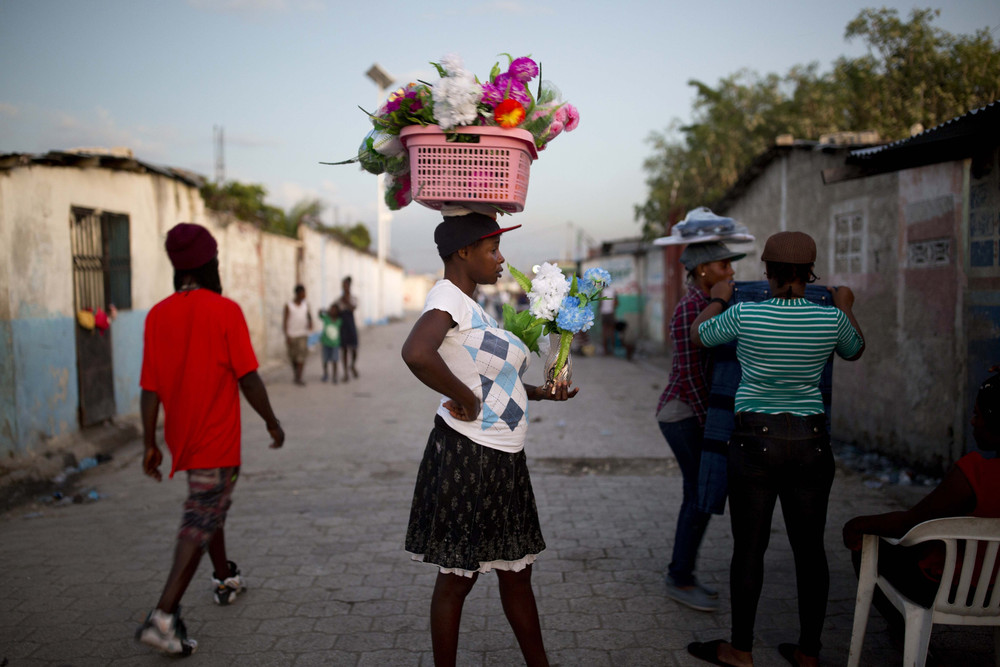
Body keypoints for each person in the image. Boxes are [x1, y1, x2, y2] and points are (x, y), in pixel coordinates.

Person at [401, 212, 579, 667]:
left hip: (502, 458)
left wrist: (539, 392)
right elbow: (416, 353)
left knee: (517, 574)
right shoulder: (447, 298)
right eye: (492, 249)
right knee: (458, 578)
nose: (501, 259)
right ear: (463, 253)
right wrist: (463, 397)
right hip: (470, 457)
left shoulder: (473, 306)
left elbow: (487, 379)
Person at [686, 231, 865, 667]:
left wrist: (722, 298)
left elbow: (699, 336)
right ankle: (808, 653)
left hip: (754, 443)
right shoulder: (829, 320)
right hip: (811, 443)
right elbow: (855, 349)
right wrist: (844, 304)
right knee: (810, 551)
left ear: (765, 273)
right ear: (810, 274)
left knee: (750, 548)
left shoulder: (746, 314)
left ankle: (741, 650)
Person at [136, 223, 285, 656]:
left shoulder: (157, 315)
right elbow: (249, 379)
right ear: (210, 264)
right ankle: (163, 617)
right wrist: (272, 422)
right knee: (201, 517)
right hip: (217, 445)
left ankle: (223, 576)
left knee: (211, 507)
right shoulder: (225, 311)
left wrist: (150, 442)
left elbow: (149, 388)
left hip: (184, 440)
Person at [842, 371, 1000, 639]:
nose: (973, 422)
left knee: (870, 547)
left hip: (962, 591)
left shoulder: (976, 473)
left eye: (978, 415)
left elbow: (912, 522)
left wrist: (859, 524)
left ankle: (908, 636)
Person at [656, 241, 746, 612]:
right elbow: (692, 376)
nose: (732, 271)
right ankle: (679, 578)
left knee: (701, 494)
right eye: (725, 264)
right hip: (683, 413)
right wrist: (712, 425)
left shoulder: (712, 306)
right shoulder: (691, 309)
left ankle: (683, 574)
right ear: (705, 270)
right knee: (699, 494)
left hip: (694, 413)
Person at [283, 284, 312, 386]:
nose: (304, 295)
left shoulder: (306, 305)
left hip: (302, 334)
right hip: (292, 335)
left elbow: (309, 316)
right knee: (293, 357)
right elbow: (285, 321)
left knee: (301, 357)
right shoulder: (289, 305)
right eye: (303, 293)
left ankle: (299, 377)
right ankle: (296, 374)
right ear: (297, 293)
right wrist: (287, 335)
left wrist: (310, 324)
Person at [336, 276, 359, 381]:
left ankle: (352, 365)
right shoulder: (338, 300)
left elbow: (353, 308)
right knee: (344, 350)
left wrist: (346, 301)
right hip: (343, 327)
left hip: (351, 325)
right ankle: (345, 372)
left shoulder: (353, 298)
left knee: (354, 349)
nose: (344, 287)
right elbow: (335, 311)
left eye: (346, 285)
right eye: (343, 285)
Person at [319, 303, 342, 383]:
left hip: (335, 344)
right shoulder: (326, 318)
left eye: (334, 310)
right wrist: (325, 310)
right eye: (331, 309)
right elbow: (319, 313)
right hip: (326, 343)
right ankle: (325, 374)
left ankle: (334, 376)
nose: (332, 311)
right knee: (325, 360)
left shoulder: (339, 321)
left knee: (335, 360)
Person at [600, 284, 617, 355]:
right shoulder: (613, 291)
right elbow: (616, 303)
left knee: (604, 333)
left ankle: (605, 351)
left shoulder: (601, 292)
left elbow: (600, 303)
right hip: (611, 313)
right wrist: (612, 309)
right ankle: (612, 350)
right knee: (612, 332)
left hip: (604, 313)